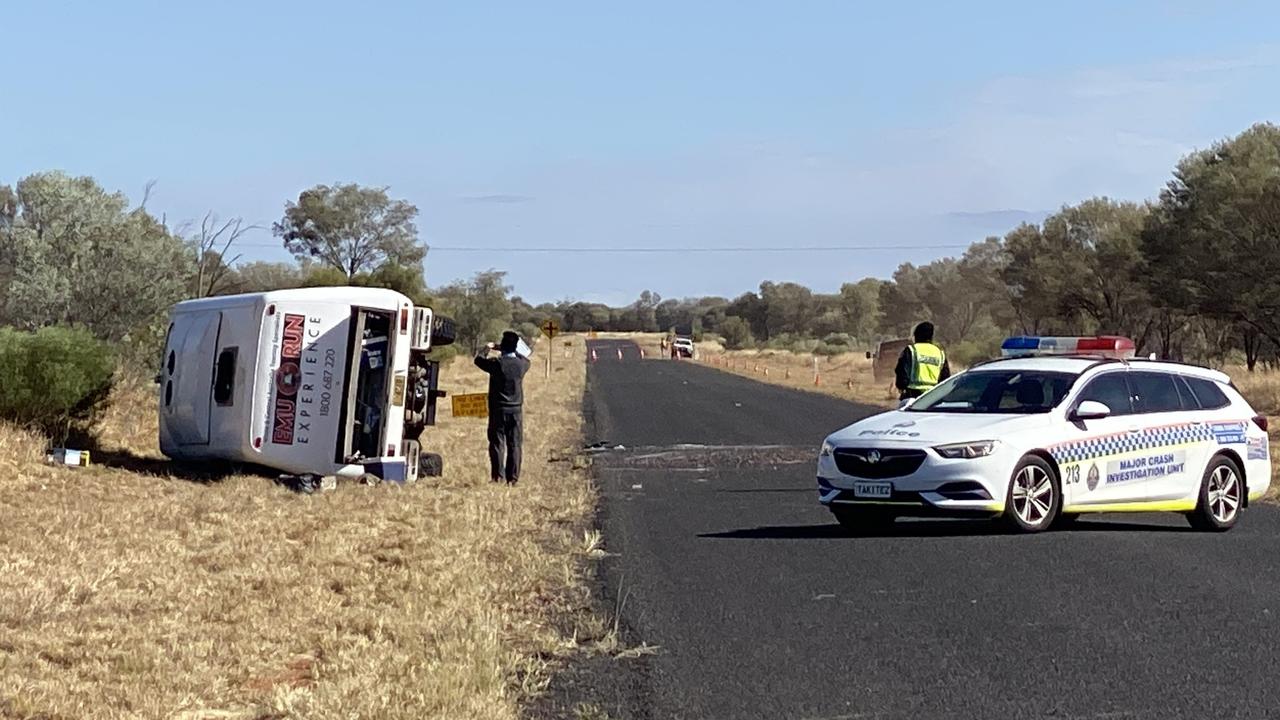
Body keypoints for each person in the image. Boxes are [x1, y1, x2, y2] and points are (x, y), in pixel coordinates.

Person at [475, 331, 531, 485]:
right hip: (516, 409)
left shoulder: (497, 364)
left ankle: (498, 477)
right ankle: (513, 478)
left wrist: (488, 348)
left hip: (498, 408)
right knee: (515, 444)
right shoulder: (522, 365)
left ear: (502, 346)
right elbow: (525, 358)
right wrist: (507, 349)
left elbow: (478, 360)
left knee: (497, 443)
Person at [894, 321, 951, 400]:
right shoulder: (939, 353)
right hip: (932, 397)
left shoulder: (911, 350)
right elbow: (945, 377)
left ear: (917, 335)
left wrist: (901, 387)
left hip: (912, 395)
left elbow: (901, 371)